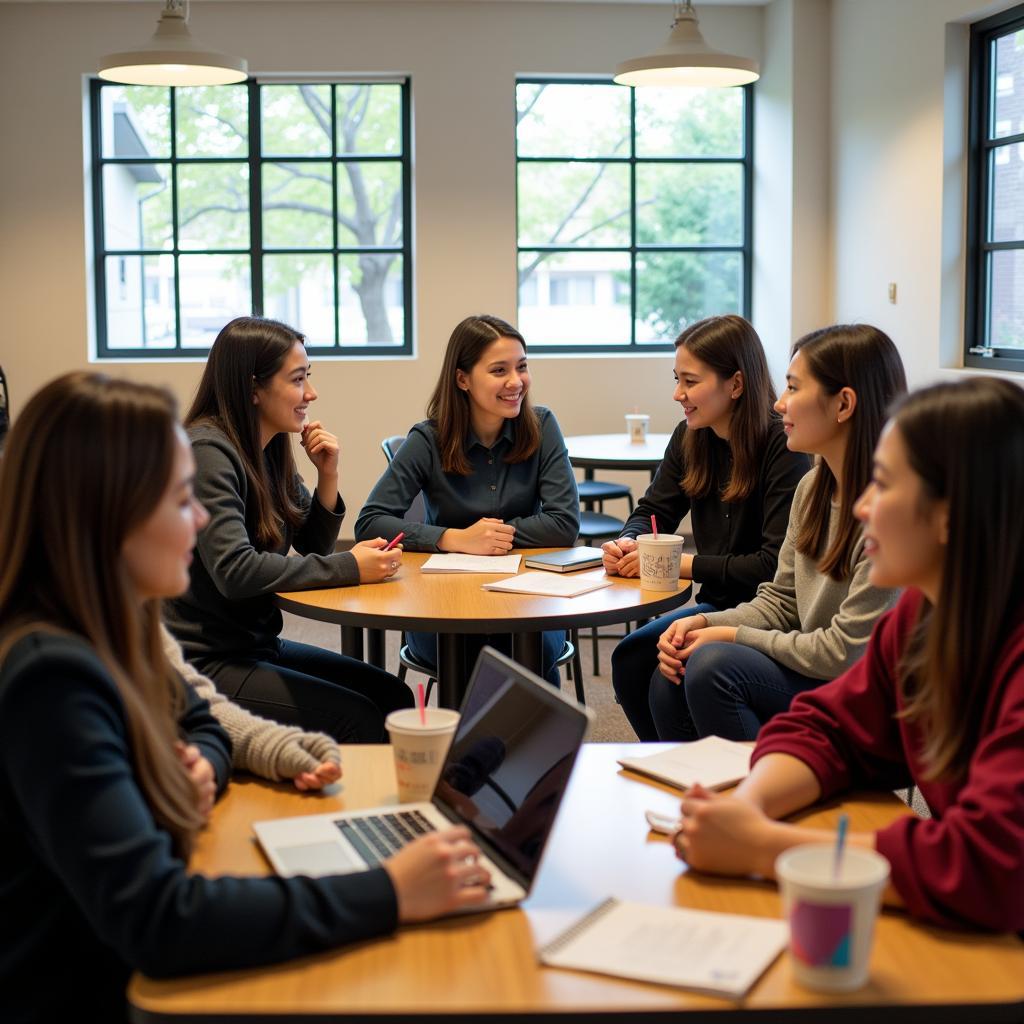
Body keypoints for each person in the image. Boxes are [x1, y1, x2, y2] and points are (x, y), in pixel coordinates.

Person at [0, 373, 491, 1023]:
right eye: (181, 502)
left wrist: (198, 761)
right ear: (109, 518)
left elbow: (201, 718)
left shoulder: (123, 621)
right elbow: (161, 922)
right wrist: (390, 891)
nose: (201, 519)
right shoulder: (51, 677)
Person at [672, 377, 1024, 934]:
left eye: (882, 486)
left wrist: (766, 847)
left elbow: (991, 867)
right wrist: (751, 806)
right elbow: (828, 726)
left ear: (949, 513)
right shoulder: (921, 615)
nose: (860, 507)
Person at [650, 324, 906, 741]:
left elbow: (845, 653)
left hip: (862, 691)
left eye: (793, 388)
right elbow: (782, 599)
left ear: (843, 404)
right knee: (673, 671)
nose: (780, 403)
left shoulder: (891, 511)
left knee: (713, 667)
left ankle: (753, 799)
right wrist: (702, 621)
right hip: (814, 661)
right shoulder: (813, 489)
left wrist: (730, 632)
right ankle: (695, 794)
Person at [164, 316, 413, 743]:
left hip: (254, 645)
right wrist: (351, 566)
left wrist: (328, 477)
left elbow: (313, 543)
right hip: (206, 661)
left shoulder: (270, 444)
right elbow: (236, 572)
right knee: (361, 718)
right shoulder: (208, 451)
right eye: (298, 380)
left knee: (393, 697)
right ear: (253, 389)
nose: (311, 394)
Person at [603, 315, 810, 739]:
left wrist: (679, 564)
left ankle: (697, 779)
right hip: (717, 604)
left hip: (768, 611)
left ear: (735, 385)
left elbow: (770, 567)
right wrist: (627, 542)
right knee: (630, 658)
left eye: (690, 382)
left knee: (667, 681)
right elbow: (651, 510)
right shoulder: (690, 436)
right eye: (677, 379)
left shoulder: (782, 447)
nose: (678, 394)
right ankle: (668, 769)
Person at [355, 314, 580, 685]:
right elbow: (371, 521)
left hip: (528, 596)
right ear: (462, 379)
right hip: (442, 601)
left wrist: (495, 537)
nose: (515, 382)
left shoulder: (542, 426)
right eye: (498, 370)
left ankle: (535, 743)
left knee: (533, 651)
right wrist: (453, 539)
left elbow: (564, 524)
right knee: (463, 651)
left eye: (521, 367)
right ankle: (467, 744)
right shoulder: (429, 439)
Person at [163, 624, 342, 790]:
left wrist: (276, 747)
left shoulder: (145, 621)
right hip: (216, 656)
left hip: (254, 643)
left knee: (368, 684)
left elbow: (198, 710)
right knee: (358, 718)